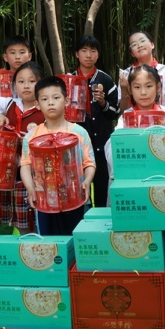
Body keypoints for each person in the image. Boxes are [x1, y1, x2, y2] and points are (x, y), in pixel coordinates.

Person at [0, 61, 45, 235]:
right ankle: (26, 243)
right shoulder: (9, 103)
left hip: (38, 173)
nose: (26, 86)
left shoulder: (45, 106)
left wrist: (29, 141)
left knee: (40, 216)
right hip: (12, 173)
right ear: (14, 85)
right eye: (21, 81)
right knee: (21, 220)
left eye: (32, 81)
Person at [20, 77, 96, 236]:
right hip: (45, 200)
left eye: (56, 97)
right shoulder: (32, 136)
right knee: (50, 243)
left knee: (78, 240)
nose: (50, 103)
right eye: (44, 99)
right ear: (37, 104)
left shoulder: (79, 133)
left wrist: (87, 181)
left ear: (66, 101)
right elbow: (25, 165)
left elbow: (89, 163)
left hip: (75, 198)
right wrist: (30, 188)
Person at [105, 64, 165, 205]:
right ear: (130, 90)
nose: (143, 92)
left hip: (159, 175)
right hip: (133, 176)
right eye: (137, 87)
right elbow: (113, 146)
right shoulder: (126, 117)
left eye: (149, 86)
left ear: (158, 87)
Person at [70, 35, 119, 209]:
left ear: (98, 55)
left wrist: (103, 103)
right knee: (77, 186)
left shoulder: (105, 80)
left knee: (102, 185)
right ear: (77, 54)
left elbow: (115, 113)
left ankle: (102, 221)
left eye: (93, 51)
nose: (88, 55)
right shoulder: (69, 80)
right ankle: (80, 219)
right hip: (76, 143)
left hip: (101, 142)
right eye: (84, 50)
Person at [118, 31, 165, 116]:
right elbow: (122, 110)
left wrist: (164, 120)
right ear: (132, 53)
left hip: (161, 121)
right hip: (134, 121)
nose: (139, 45)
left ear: (152, 45)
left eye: (142, 41)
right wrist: (125, 92)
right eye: (134, 44)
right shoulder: (125, 75)